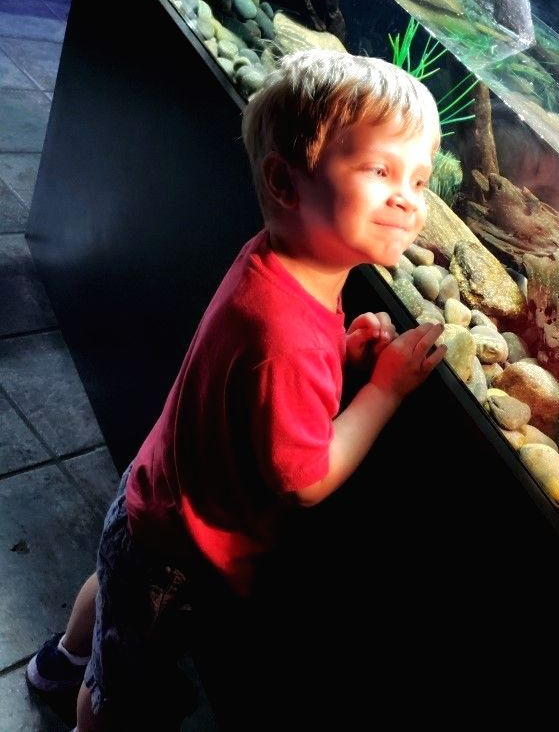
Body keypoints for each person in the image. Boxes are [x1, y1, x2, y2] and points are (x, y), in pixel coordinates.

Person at [26, 48, 446, 730]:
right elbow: (305, 476)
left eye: (421, 179)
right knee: (119, 688)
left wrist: (340, 354)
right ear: (285, 180)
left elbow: (257, 388)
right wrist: (387, 390)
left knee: (111, 600)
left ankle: (57, 663)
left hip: (149, 504)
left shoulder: (281, 266)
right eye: (381, 170)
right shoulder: (286, 330)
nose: (409, 197)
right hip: (181, 556)